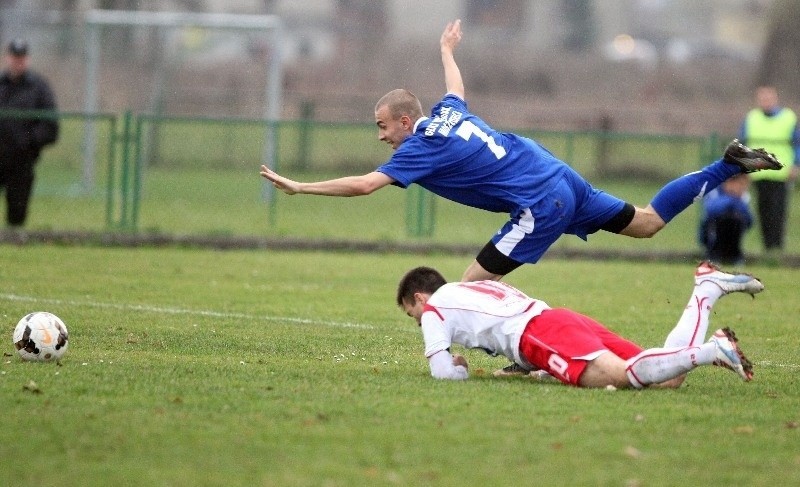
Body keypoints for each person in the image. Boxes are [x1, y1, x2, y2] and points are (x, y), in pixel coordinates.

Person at [261, 20, 782, 282]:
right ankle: (726, 164)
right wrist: (446, 51)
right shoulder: (446, 111)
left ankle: (530, 348)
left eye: (382, 127)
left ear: (404, 120)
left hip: (540, 200)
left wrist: (302, 186)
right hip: (557, 174)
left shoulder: (420, 146)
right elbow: (457, 89)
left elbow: (364, 185)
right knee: (647, 222)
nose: (380, 137)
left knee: (469, 286)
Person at [395, 261, 764, 389]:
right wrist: (531, 368)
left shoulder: (434, 309)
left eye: (413, 315)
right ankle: (706, 289)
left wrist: (459, 368)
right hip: (559, 320)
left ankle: (714, 350)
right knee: (668, 375)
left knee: (625, 377)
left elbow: (442, 373)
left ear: (421, 299)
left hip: (540, 334)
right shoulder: (472, 288)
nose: (419, 322)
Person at [0, 38, 59, 229]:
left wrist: (28, 141)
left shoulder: (39, 88)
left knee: (17, 215)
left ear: (27, 59)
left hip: (21, 161)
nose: (18, 62)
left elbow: (50, 126)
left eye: (21, 58)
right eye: (14, 57)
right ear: (7, 58)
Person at [738, 85, 800, 256]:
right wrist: (743, 166)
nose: (766, 102)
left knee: (778, 211)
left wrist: (796, 164)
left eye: (769, 98)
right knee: (763, 211)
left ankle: (777, 248)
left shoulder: (788, 118)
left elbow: (796, 143)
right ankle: (767, 249)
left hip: (781, 173)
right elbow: (742, 143)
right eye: (762, 98)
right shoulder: (751, 118)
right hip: (759, 172)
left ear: (775, 99)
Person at [699, 173, 753, 266]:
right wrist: (732, 199)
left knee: (737, 219)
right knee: (721, 219)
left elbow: (749, 220)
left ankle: (734, 256)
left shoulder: (743, 196)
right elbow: (711, 210)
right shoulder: (714, 191)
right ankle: (714, 255)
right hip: (712, 231)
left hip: (733, 231)